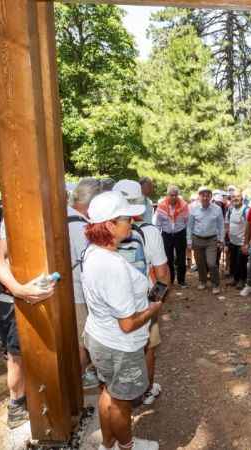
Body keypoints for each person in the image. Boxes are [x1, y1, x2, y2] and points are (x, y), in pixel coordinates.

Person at [81, 191, 162, 450]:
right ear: (109, 225)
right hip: (119, 347)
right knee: (121, 402)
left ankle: (108, 444)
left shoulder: (92, 252)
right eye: (126, 217)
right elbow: (127, 323)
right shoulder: (112, 265)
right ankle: (126, 445)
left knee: (108, 392)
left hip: (99, 337)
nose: (132, 220)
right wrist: (153, 308)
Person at [0, 219, 56, 428]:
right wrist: (19, 290)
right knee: (16, 353)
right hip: (14, 298)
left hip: (18, 295)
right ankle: (16, 406)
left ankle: (26, 398)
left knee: (19, 351)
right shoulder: (16, 215)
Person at [113, 179, 171, 406]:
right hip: (142, 303)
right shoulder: (149, 231)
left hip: (112, 305)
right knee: (148, 346)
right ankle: (145, 392)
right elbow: (163, 274)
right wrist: (155, 304)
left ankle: (118, 393)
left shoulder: (100, 231)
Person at [69, 178, 106, 390]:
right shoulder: (80, 226)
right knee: (83, 339)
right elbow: (90, 264)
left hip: (69, 289)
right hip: (78, 292)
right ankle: (82, 379)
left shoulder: (64, 215)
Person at [186, 186, 224, 294]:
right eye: (203, 195)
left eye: (208, 195)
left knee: (211, 263)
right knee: (200, 263)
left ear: (211, 197)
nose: (205, 198)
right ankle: (202, 281)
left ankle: (215, 284)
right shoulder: (194, 209)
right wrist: (189, 241)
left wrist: (221, 240)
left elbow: (221, 225)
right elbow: (189, 226)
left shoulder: (217, 209)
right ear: (199, 197)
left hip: (212, 240)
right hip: (197, 239)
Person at [154, 185, 189, 288]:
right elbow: (158, 223)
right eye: (171, 195)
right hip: (166, 234)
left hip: (180, 233)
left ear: (178, 195)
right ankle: (171, 280)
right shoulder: (161, 206)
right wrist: (157, 236)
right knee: (168, 258)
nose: (174, 197)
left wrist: (186, 234)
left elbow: (187, 221)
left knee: (181, 258)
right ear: (167, 195)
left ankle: (181, 280)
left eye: (175, 195)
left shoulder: (184, 205)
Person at [226, 191, 248, 288]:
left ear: (242, 198)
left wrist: (247, 242)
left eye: (238, 196)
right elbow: (227, 225)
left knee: (241, 262)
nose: (235, 198)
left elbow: (249, 227)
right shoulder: (230, 210)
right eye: (233, 197)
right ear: (230, 199)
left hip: (242, 242)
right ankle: (235, 279)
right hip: (232, 241)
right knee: (233, 261)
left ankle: (242, 280)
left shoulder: (246, 210)